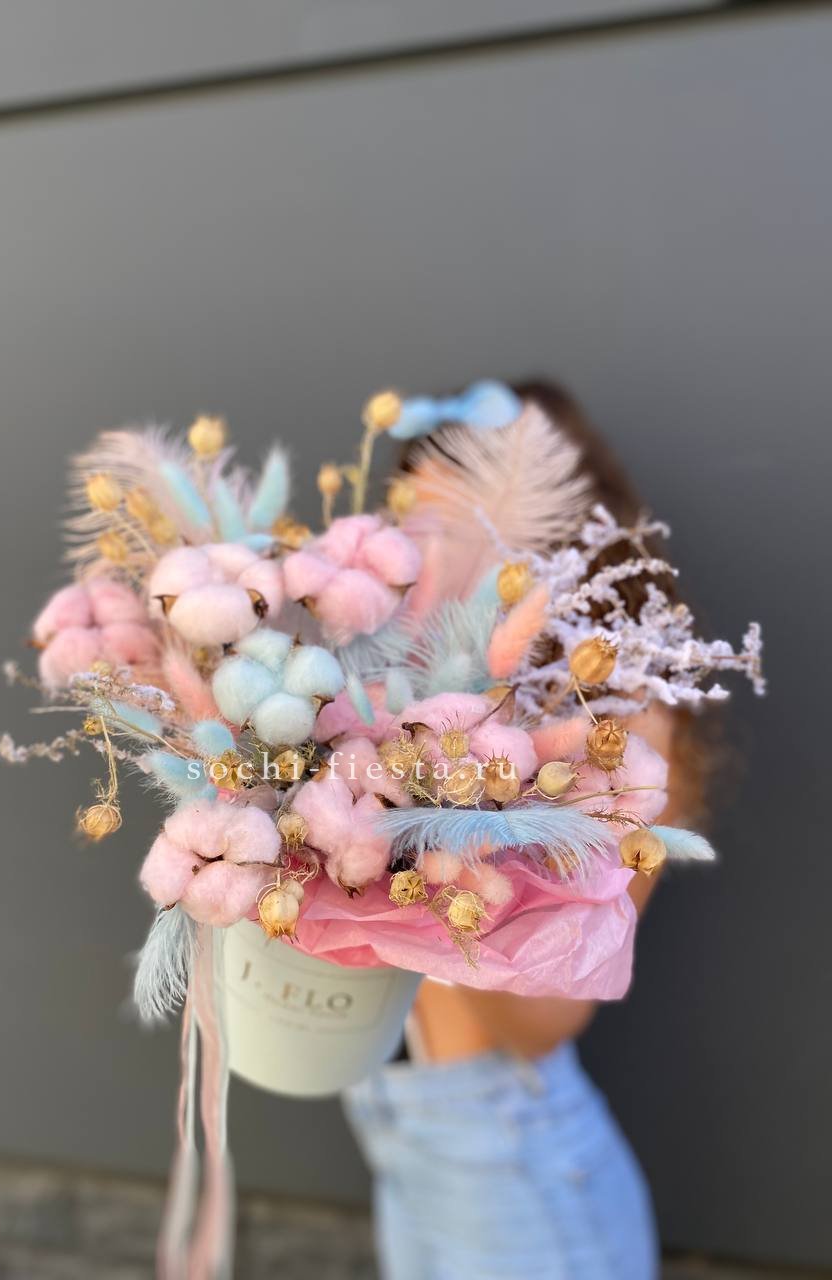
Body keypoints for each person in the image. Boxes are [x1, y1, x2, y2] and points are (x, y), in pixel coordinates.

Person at [343, 380, 713, 1280]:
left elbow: (548, 1018)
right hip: (405, 1134)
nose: (426, 563)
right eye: (410, 530)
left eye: (458, 531)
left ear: (549, 534)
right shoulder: (397, 696)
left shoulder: (614, 725)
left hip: (516, 1167)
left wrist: (431, 851)